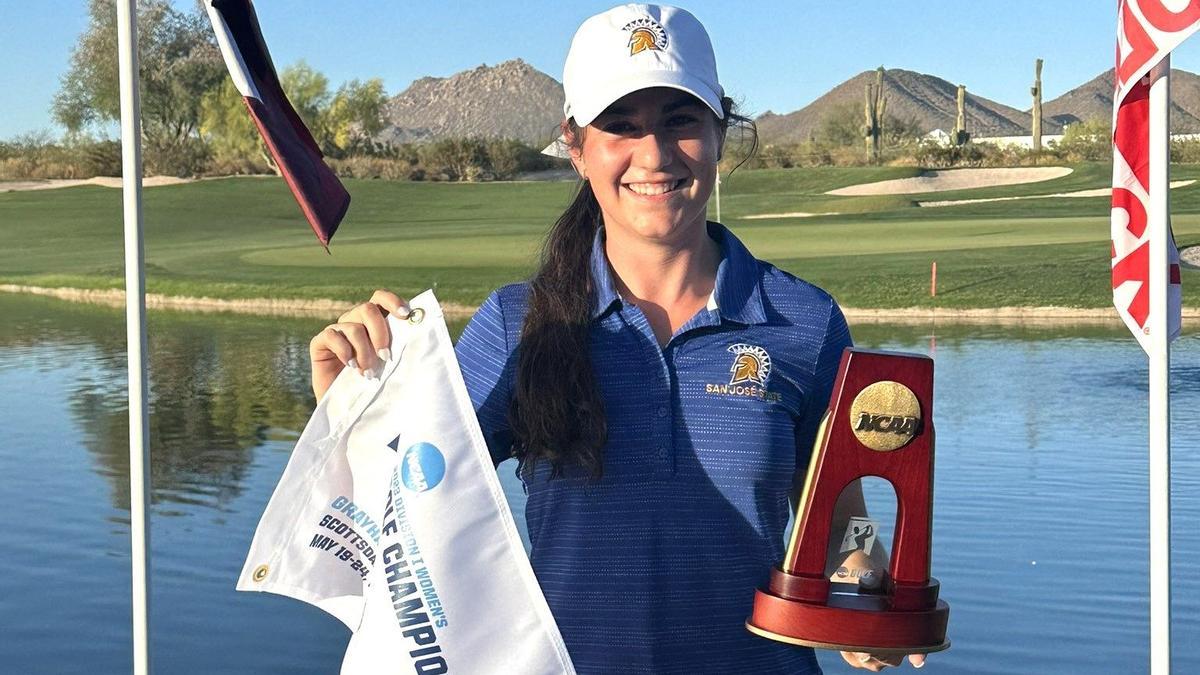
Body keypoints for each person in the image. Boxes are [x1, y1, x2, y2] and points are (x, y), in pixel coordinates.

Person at [308, 4, 925, 673]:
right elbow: (410, 514)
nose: (654, 155)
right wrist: (347, 408)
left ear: (719, 134)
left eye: (679, 121)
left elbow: (845, 516)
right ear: (576, 146)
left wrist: (865, 576)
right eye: (621, 127)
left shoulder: (805, 321)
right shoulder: (521, 324)